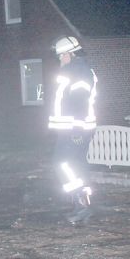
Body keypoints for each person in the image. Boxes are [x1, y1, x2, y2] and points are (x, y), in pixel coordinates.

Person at [49, 35, 98, 224]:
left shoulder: (79, 72)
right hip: (70, 129)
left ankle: (81, 202)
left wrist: (77, 130)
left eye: (61, 56)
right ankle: (81, 204)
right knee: (72, 165)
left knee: (63, 164)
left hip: (75, 129)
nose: (60, 60)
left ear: (70, 54)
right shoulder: (73, 71)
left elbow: (79, 103)